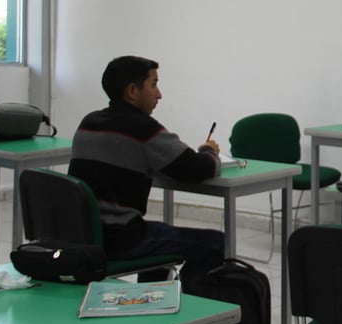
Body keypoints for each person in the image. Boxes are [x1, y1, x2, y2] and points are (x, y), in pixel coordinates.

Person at [68, 55, 225, 281]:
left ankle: (153, 302)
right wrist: (210, 152)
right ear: (132, 91)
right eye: (154, 84)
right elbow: (196, 169)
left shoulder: (89, 122)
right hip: (120, 239)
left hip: (83, 235)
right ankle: (192, 311)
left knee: (162, 240)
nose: (159, 94)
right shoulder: (142, 129)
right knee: (218, 244)